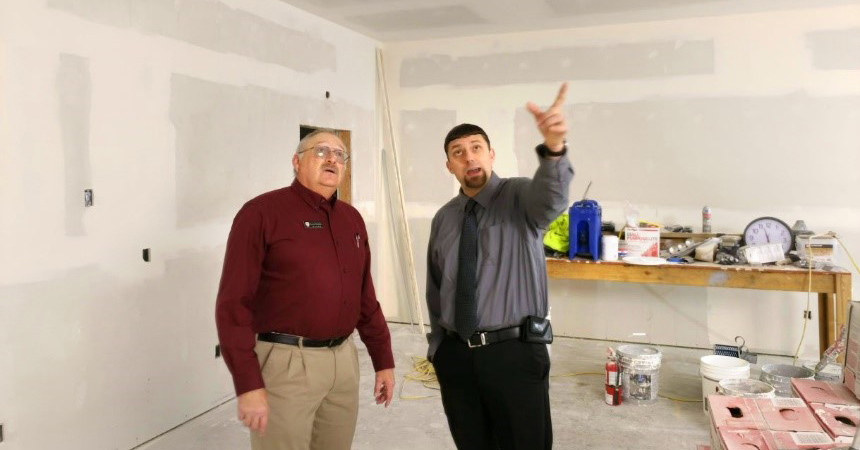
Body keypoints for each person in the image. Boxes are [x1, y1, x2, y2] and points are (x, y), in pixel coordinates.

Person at [215, 129, 395, 450]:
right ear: (296, 162)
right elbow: (233, 304)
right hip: (287, 365)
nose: (332, 159)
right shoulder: (261, 213)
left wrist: (383, 360)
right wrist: (248, 384)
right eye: (321, 151)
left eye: (340, 154)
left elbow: (365, 297)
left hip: (343, 363)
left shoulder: (351, 220)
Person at [426, 83, 573, 450]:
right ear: (449, 166)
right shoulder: (445, 218)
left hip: (514, 353)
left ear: (491, 154)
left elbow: (552, 197)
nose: (469, 158)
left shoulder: (520, 197)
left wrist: (554, 148)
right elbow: (436, 287)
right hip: (457, 357)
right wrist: (438, 349)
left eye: (476, 148)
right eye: (458, 153)